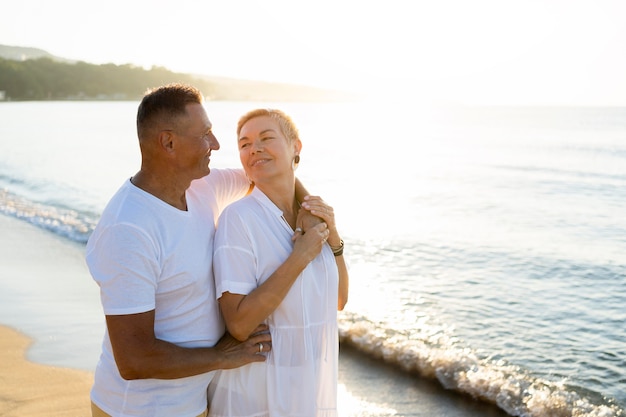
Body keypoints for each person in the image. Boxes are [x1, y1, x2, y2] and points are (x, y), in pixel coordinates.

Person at [85, 84, 315, 417]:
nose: (217, 144)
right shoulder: (129, 228)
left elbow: (273, 173)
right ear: (169, 142)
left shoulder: (202, 186)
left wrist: (311, 211)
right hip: (137, 410)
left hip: (195, 403)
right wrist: (223, 356)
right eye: (205, 134)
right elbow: (133, 359)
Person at [208, 108, 350, 416]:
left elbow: (338, 299)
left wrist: (333, 236)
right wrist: (299, 257)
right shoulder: (239, 219)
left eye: (266, 138)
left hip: (305, 383)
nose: (254, 148)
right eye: (244, 143)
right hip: (256, 393)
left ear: (295, 147)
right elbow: (240, 324)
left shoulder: (314, 216)